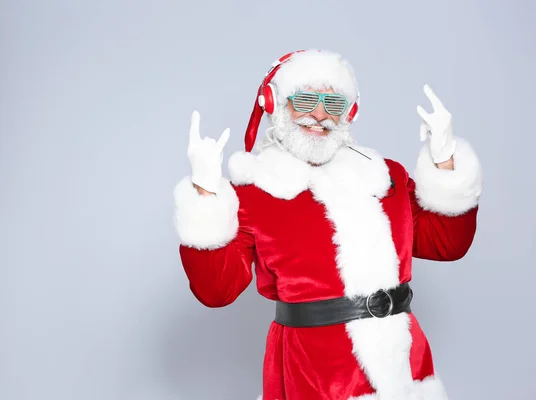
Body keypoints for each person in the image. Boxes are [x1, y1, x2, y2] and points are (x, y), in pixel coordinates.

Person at [172, 49, 482, 400]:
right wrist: (205, 192)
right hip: (314, 373)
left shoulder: (386, 177)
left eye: (333, 104)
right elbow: (217, 290)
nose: (320, 114)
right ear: (275, 103)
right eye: (305, 99)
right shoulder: (253, 194)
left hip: (404, 368)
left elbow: (446, 244)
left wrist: (445, 160)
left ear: (349, 112)